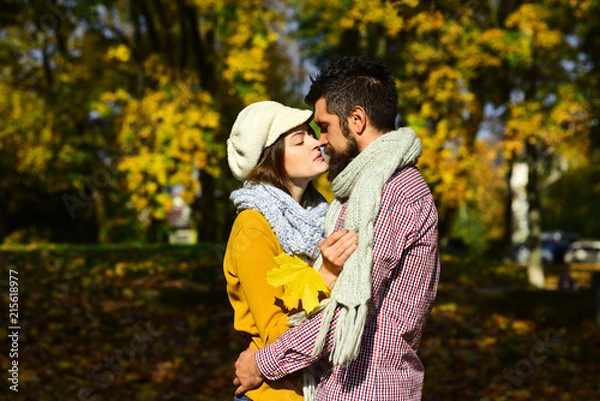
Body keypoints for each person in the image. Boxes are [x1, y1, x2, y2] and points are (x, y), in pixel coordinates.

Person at [233, 56, 441, 400]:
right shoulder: (362, 193)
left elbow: (342, 317)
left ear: (356, 120)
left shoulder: (391, 194)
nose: (322, 140)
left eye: (324, 126)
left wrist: (262, 364)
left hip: (369, 390)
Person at [224, 100, 358, 401]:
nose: (316, 142)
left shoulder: (325, 216)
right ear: (270, 159)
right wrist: (326, 275)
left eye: (311, 134)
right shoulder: (253, 228)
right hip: (274, 394)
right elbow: (275, 333)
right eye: (299, 140)